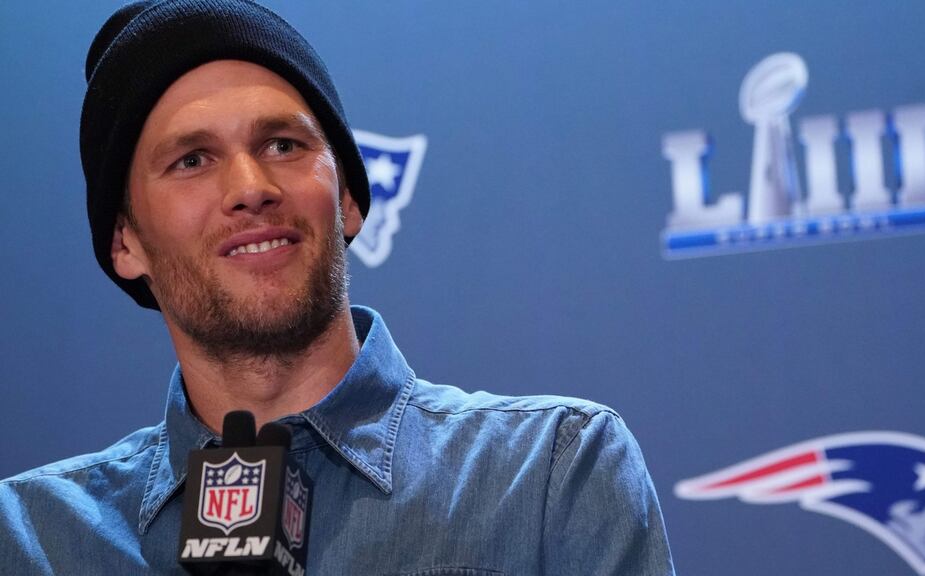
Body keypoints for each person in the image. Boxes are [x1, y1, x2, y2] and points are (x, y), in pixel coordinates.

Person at [0, 1, 676, 574]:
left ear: (348, 197)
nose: (250, 188)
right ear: (125, 242)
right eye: (192, 160)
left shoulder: (551, 473)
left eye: (283, 145)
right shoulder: (32, 538)